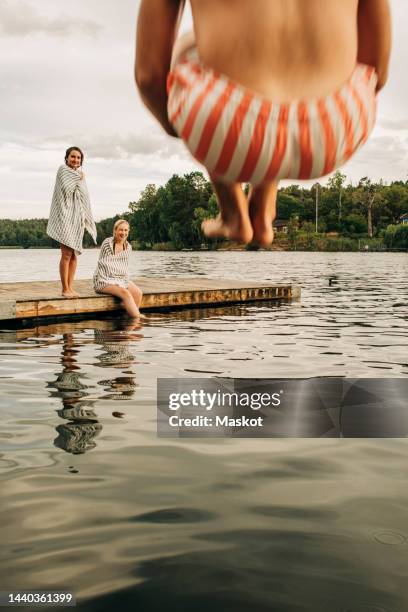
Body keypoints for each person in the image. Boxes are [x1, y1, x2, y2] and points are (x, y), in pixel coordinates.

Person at [135, 0, 391, 246]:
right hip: (337, 125)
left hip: (222, 125)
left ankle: (232, 213)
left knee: (189, 45)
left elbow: (150, 76)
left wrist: (181, 126)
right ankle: (264, 197)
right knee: (282, 69)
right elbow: (376, 68)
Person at [47, 147, 97, 297]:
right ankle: (64, 289)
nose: (76, 160)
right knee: (66, 254)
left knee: (74, 254)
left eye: (78, 158)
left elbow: (85, 196)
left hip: (76, 218)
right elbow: (67, 189)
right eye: (73, 157)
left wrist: (80, 178)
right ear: (67, 158)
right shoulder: (63, 170)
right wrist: (79, 178)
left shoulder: (80, 175)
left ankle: (70, 287)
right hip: (64, 215)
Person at [93, 220, 143, 318]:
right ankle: (137, 318)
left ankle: (128, 319)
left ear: (128, 231)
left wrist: (121, 280)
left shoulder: (128, 247)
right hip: (103, 279)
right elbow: (106, 265)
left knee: (138, 293)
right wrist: (117, 280)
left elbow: (124, 267)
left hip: (120, 279)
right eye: (120, 230)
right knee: (126, 293)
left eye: (125, 230)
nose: (123, 233)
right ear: (115, 231)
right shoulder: (108, 243)